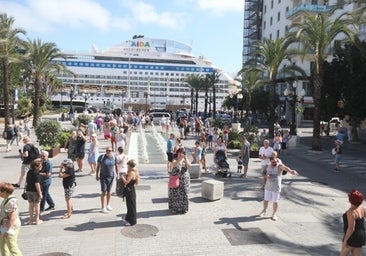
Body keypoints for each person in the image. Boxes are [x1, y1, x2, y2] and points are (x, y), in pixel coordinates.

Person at [258, 156, 298, 221]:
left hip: (276, 187)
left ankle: (274, 214)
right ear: (270, 161)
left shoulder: (279, 166)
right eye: (273, 162)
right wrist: (266, 176)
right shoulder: (267, 166)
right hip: (268, 186)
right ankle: (264, 211)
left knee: (275, 201)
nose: (275, 163)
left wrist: (291, 171)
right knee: (266, 200)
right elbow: (263, 174)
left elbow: (286, 168)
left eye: (276, 161)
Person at [340, 189, 365, 256]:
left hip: (351, 237)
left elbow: (351, 228)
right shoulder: (362, 209)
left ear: (350, 200)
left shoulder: (351, 212)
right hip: (360, 237)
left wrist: (345, 241)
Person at [0, 182, 22, 256]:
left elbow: (13, 216)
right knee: (3, 245)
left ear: (5, 192)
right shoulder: (6, 199)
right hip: (3, 226)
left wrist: (9, 229)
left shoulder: (11, 201)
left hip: (10, 227)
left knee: (12, 247)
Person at [168, 148, 191, 214]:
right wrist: (179, 159)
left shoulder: (185, 159)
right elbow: (174, 164)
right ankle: (175, 209)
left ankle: (184, 208)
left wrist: (185, 159)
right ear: (177, 153)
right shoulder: (175, 159)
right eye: (179, 152)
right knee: (175, 193)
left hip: (184, 180)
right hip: (175, 179)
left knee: (184, 193)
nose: (181, 154)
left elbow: (189, 166)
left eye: (182, 152)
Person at [96, 147, 118, 213]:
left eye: (110, 151)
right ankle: (103, 207)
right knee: (104, 191)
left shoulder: (114, 157)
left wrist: (118, 175)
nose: (108, 152)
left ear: (112, 151)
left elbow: (116, 166)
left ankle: (108, 205)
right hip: (103, 176)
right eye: (107, 150)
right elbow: (98, 166)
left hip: (111, 176)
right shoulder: (101, 157)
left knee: (109, 191)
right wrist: (97, 175)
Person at [121, 159, 140, 225]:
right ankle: (129, 219)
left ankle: (131, 221)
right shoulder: (134, 172)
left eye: (128, 165)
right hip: (132, 190)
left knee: (130, 206)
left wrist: (122, 177)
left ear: (129, 165)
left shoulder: (131, 173)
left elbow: (126, 182)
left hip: (129, 191)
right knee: (131, 205)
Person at [25, 158, 43, 225]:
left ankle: (31, 220)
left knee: (31, 205)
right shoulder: (37, 173)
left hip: (28, 190)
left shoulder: (29, 172)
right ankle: (37, 219)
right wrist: (40, 193)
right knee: (37, 205)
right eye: (40, 166)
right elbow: (37, 183)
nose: (41, 167)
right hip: (35, 191)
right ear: (36, 166)